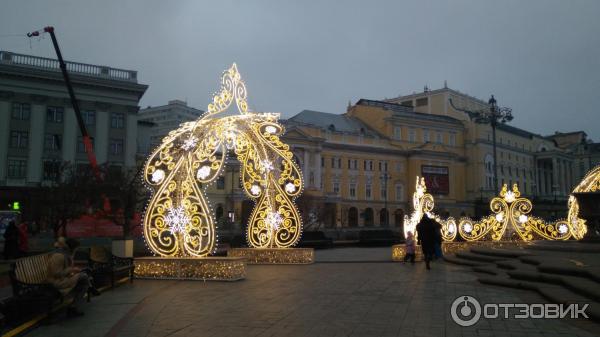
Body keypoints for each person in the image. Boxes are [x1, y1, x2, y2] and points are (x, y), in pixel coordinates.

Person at [47, 237, 99, 317]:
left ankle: (74, 306)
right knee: (84, 277)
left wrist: (72, 271)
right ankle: (90, 288)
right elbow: (55, 273)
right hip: (57, 282)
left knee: (83, 280)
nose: (76, 250)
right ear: (72, 248)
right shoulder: (59, 256)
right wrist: (71, 270)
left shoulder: (66, 255)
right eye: (76, 248)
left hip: (63, 279)